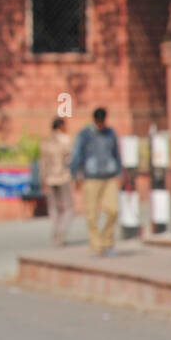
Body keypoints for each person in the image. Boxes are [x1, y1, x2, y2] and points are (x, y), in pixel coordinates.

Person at [71, 107, 122, 257]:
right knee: (92, 214)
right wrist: (76, 175)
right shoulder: (85, 134)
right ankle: (96, 245)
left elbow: (116, 154)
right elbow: (77, 154)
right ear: (94, 120)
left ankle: (107, 242)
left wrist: (120, 171)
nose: (100, 125)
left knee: (113, 210)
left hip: (109, 177)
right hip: (91, 178)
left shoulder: (110, 133)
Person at [39, 117, 74, 246]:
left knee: (54, 208)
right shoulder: (66, 140)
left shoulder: (46, 142)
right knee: (68, 208)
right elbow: (70, 160)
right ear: (60, 126)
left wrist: (42, 179)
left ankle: (56, 230)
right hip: (63, 177)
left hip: (49, 178)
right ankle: (62, 232)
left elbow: (43, 163)